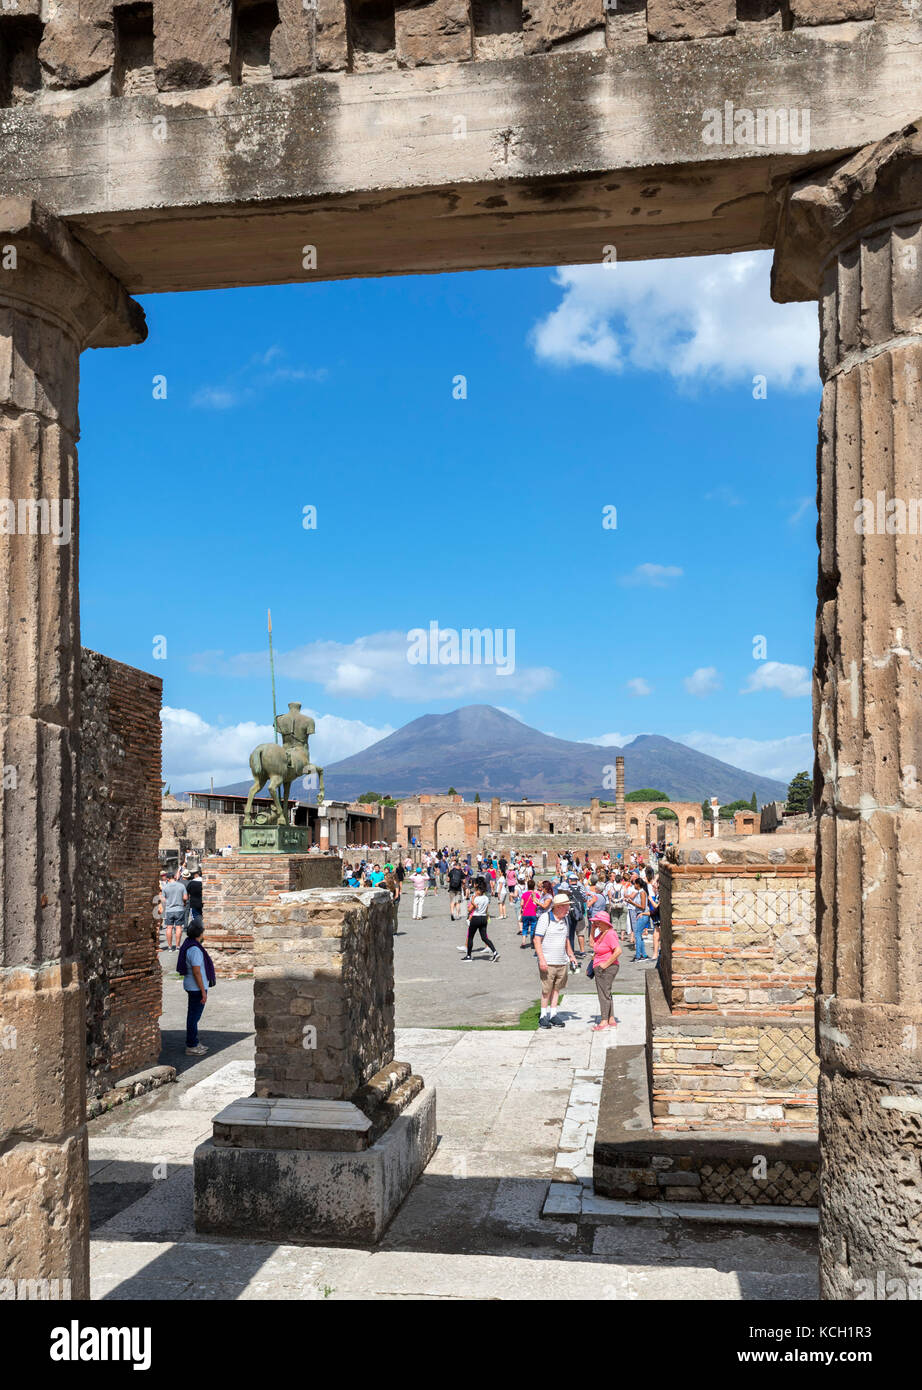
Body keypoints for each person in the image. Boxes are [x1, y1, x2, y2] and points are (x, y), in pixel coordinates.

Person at [534, 892, 577, 1028]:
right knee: (546, 989)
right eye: (566, 907)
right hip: (548, 960)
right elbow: (537, 940)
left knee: (557, 988)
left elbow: (566, 940)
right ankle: (543, 1015)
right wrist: (541, 959)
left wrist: (571, 955)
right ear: (558, 907)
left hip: (561, 960)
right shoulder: (545, 918)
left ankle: (553, 1014)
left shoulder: (565, 920)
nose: (568, 909)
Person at [177, 921, 214, 1056]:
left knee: (193, 1016)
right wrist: (203, 992)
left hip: (192, 986)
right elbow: (196, 971)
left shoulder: (189, 945)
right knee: (193, 1017)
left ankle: (194, 1042)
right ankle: (191, 1045)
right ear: (200, 933)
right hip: (196, 988)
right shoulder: (195, 950)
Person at [589, 910, 621, 1031]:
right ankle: (611, 1018)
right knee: (606, 993)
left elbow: (618, 951)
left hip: (607, 968)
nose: (596, 924)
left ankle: (604, 1021)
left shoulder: (610, 934)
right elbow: (592, 944)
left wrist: (604, 965)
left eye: (597, 922)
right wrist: (592, 929)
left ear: (604, 922)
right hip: (602, 967)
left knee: (603, 994)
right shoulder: (602, 933)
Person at [462, 878, 499, 962]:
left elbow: (469, 909)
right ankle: (495, 952)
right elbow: (486, 910)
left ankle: (468, 956)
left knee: (470, 937)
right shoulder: (486, 898)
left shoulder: (476, 898)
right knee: (484, 937)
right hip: (483, 918)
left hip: (476, 918)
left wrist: (472, 901)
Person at [161, 868, 188, 950]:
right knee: (178, 928)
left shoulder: (165, 887)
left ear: (167, 878)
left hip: (169, 910)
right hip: (179, 909)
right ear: (174, 877)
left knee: (169, 927)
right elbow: (185, 897)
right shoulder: (181, 885)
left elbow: (163, 899)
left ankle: (169, 947)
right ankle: (177, 946)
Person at [519, 877, 538, 949]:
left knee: (525, 927)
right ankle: (533, 942)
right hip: (533, 913)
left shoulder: (524, 894)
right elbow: (537, 903)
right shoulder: (536, 894)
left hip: (525, 913)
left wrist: (522, 908)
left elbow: (521, 904)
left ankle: (523, 942)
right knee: (533, 928)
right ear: (534, 886)